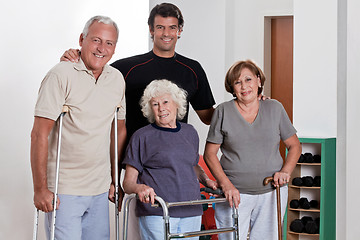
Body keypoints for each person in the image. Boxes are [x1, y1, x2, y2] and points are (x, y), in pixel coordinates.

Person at [60, 3, 216, 143]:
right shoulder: (127, 68)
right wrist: (78, 58)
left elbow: (208, 118)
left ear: (180, 30)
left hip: (174, 157)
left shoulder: (192, 69)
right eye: (160, 27)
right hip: (134, 158)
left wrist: (238, 107)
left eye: (172, 27)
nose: (166, 33)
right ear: (151, 29)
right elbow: (92, 77)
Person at [30, 15, 126, 240]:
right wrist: (40, 189)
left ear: (114, 48)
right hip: (64, 189)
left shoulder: (117, 79)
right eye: (96, 40)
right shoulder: (60, 74)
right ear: (82, 39)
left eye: (109, 43)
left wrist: (115, 180)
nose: (102, 48)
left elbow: (118, 130)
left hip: (100, 189)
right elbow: (38, 134)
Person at [203, 60, 301, 240]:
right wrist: (227, 185)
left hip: (272, 192)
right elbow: (210, 154)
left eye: (248, 79)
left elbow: (295, 145)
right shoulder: (223, 111)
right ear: (232, 88)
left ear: (258, 81)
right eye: (237, 82)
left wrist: (286, 171)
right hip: (234, 193)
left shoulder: (274, 108)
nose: (244, 86)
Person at [122, 79, 215, 240]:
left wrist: (207, 181)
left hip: (191, 210)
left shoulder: (190, 132)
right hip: (158, 212)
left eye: (165, 101)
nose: (161, 108)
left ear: (176, 103)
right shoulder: (141, 136)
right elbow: (128, 182)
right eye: (155, 104)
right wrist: (140, 188)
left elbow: (192, 165)